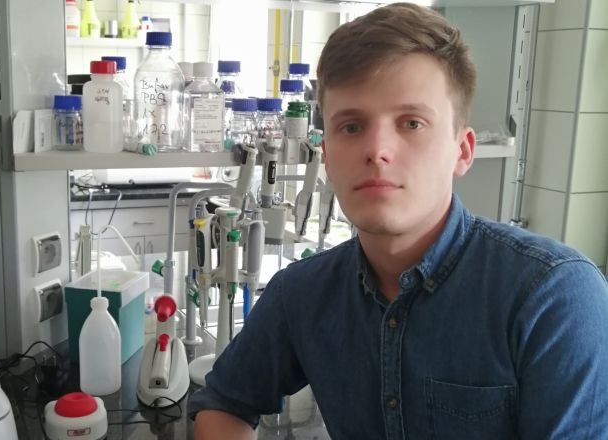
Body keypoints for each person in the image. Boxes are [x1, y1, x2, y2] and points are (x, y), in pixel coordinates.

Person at [188, 3, 608, 438]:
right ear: (327, 157)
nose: (377, 151)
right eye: (352, 127)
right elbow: (224, 403)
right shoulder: (301, 295)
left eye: (411, 123)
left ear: (463, 151)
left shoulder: (552, 298)